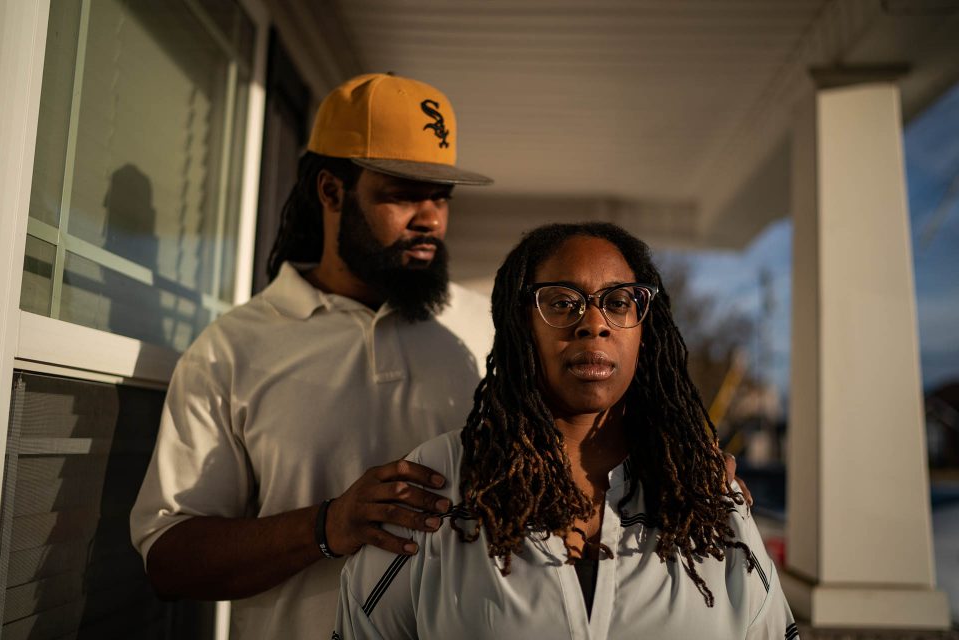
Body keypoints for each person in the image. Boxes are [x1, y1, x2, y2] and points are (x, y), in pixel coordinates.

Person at [130, 73, 497, 638]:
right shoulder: (231, 350)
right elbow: (169, 559)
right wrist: (328, 525)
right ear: (331, 191)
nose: (431, 219)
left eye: (441, 197)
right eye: (402, 194)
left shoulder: (489, 331)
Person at [336, 222, 796, 639]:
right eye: (561, 302)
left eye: (618, 302)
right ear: (522, 324)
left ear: (645, 328)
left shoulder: (704, 497)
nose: (593, 324)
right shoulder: (435, 485)